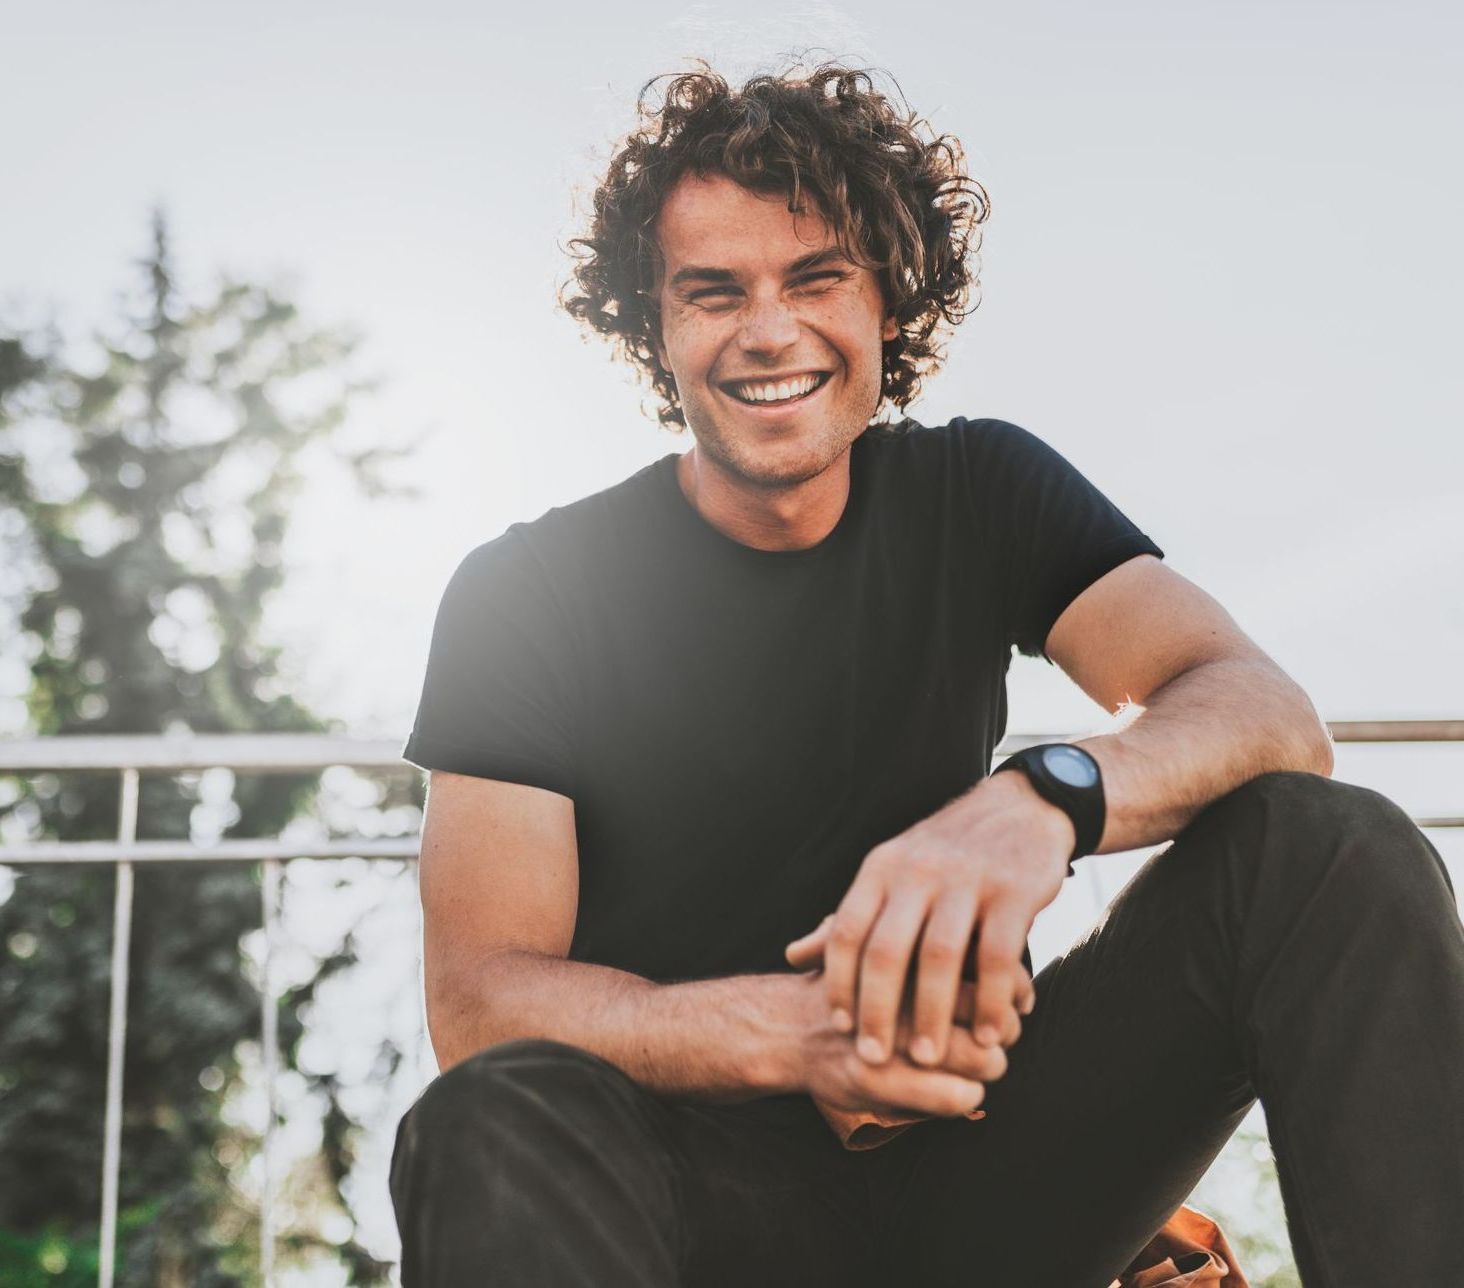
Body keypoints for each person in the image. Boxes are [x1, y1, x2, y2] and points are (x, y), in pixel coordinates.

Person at [389, 62, 1464, 1287]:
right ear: (657, 326)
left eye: (816, 278)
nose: (771, 329)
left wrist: (1043, 798)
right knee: (497, 1110)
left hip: (973, 1175)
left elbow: (1264, 709)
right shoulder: (530, 589)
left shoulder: (981, 490)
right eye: (712, 291)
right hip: (688, 1203)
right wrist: (804, 1036)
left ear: (888, 302)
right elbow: (479, 1000)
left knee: (1327, 846)